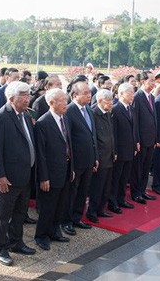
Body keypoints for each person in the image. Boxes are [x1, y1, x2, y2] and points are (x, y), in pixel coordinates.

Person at [0, 81, 37, 266]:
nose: (28, 99)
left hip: (24, 175)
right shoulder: (0, 117)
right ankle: (0, 248)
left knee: (19, 212)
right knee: (2, 216)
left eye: (28, 95)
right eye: (24, 96)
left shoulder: (25, 115)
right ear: (11, 98)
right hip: (7, 178)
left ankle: (16, 242)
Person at [33, 88, 73, 251]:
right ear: (51, 103)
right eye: (62, 100)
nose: (66, 103)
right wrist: (44, 177)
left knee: (60, 205)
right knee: (48, 207)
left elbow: (69, 145)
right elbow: (41, 154)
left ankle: (54, 231)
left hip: (65, 170)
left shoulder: (65, 119)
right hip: (50, 173)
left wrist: (72, 168)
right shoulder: (43, 123)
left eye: (66, 99)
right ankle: (41, 235)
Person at [62, 82, 98, 236]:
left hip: (89, 160)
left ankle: (77, 217)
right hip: (76, 161)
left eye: (89, 92)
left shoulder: (89, 110)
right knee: (72, 192)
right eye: (85, 93)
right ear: (75, 95)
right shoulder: (69, 111)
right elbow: (68, 139)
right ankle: (67, 221)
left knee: (83, 191)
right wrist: (71, 163)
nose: (89, 95)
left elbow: (93, 135)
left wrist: (96, 156)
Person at [86, 89, 115, 223]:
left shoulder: (108, 114)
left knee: (106, 186)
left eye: (111, 100)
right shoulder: (93, 113)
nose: (111, 103)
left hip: (109, 155)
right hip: (100, 156)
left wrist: (114, 151)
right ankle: (92, 212)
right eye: (108, 101)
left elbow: (111, 135)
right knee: (97, 187)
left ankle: (101, 209)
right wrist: (96, 157)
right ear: (99, 101)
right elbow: (94, 138)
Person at [129, 71, 158, 203]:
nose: (153, 83)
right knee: (138, 168)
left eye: (154, 81)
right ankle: (136, 193)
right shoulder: (137, 97)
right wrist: (137, 141)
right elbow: (135, 122)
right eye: (151, 80)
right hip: (141, 140)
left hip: (151, 139)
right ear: (143, 81)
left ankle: (142, 190)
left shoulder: (151, 97)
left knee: (146, 167)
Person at [110, 83, 140, 210]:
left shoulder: (131, 109)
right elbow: (114, 133)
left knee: (124, 177)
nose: (132, 96)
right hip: (120, 150)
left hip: (130, 149)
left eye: (133, 93)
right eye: (130, 93)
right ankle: (112, 202)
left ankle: (121, 199)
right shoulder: (115, 109)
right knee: (116, 178)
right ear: (121, 94)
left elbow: (134, 128)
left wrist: (136, 143)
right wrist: (115, 151)